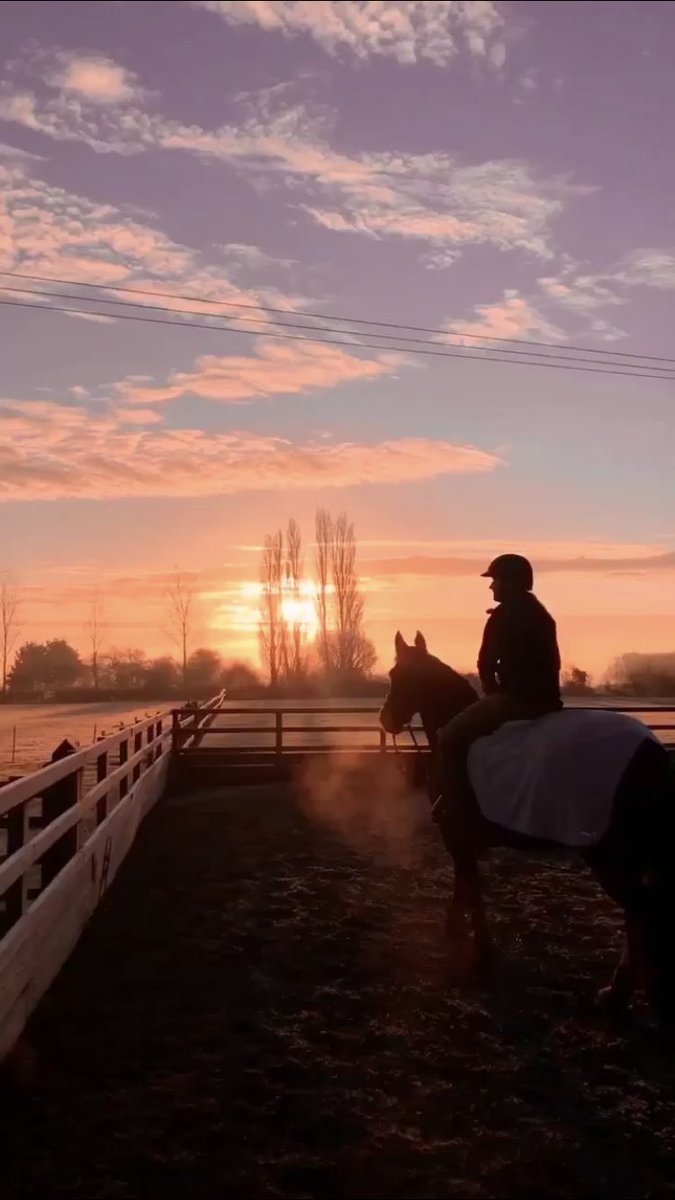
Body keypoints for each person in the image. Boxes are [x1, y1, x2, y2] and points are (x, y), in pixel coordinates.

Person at [433, 554, 562, 843]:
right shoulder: (542, 614)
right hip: (547, 702)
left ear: (510, 582)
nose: (491, 588)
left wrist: (491, 694)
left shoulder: (503, 616)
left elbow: (485, 664)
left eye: (494, 581)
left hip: (514, 700)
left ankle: (456, 805)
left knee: (450, 737)